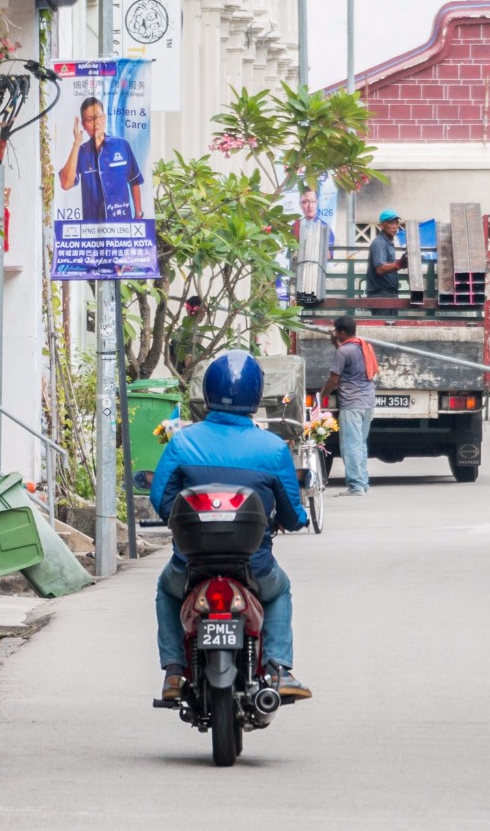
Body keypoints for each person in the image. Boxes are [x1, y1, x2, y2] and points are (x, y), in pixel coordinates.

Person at [152, 351, 310, 703]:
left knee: (167, 590)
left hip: (190, 566)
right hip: (255, 568)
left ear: (207, 393)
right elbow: (292, 513)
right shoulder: (272, 448)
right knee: (279, 591)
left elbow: (162, 502)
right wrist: (292, 521)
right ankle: (279, 668)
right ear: (255, 397)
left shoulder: (182, 441)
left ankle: (174, 672)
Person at [59, 95, 143, 222]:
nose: (95, 123)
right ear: (83, 125)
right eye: (89, 119)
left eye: (98, 116)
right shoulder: (81, 152)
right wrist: (76, 143)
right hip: (92, 230)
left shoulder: (122, 145)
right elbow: (66, 184)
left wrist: (138, 215)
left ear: (104, 117)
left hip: (122, 226)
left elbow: (134, 181)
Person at [319, 317, 377, 495]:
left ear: (342, 333)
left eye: (336, 331)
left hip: (352, 404)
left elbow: (334, 379)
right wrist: (335, 344)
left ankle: (356, 486)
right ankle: (363, 483)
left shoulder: (343, 351)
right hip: (368, 403)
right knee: (360, 444)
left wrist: (321, 396)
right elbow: (350, 362)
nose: (335, 334)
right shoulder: (364, 345)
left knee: (350, 446)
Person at [366, 209, 407, 295]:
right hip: (380, 294)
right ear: (381, 226)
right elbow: (380, 269)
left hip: (389, 293)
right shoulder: (380, 243)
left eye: (396, 223)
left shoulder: (388, 243)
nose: (395, 226)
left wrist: (402, 263)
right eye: (391, 223)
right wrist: (398, 264)